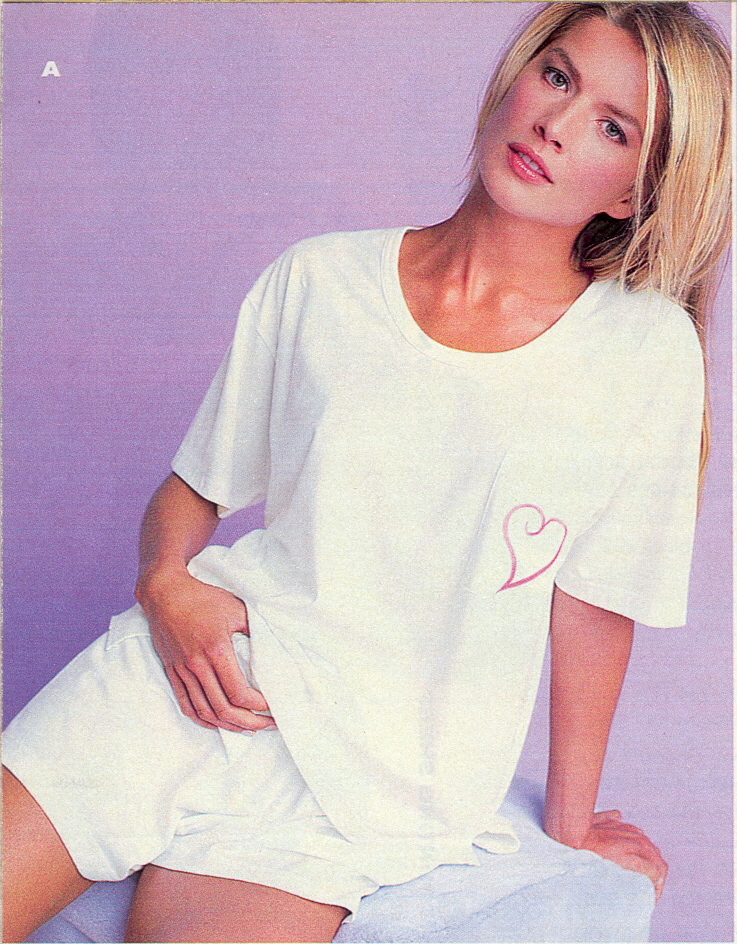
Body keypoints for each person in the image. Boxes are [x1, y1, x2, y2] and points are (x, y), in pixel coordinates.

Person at [2, 2, 731, 942]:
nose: (556, 124)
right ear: (515, 77)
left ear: (632, 193)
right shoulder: (319, 279)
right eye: (556, 76)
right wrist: (164, 585)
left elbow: (596, 601)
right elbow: (195, 485)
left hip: (368, 784)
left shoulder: (642, 355)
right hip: (178, 686)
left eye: (611, 127)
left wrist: (571, 820)